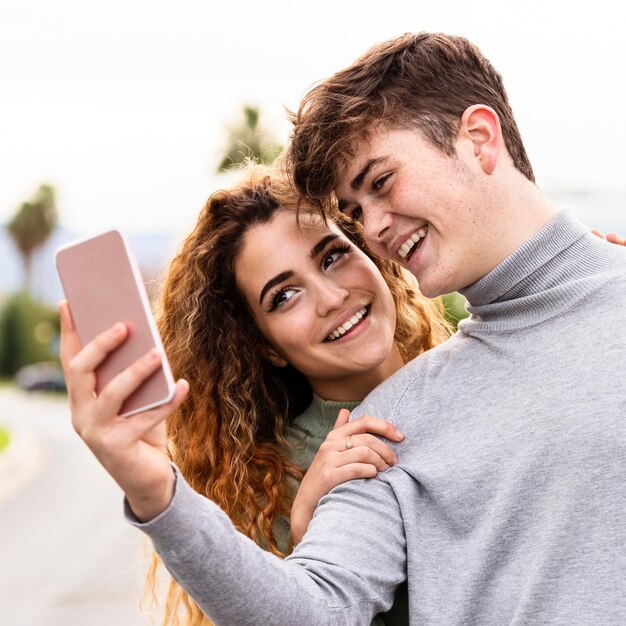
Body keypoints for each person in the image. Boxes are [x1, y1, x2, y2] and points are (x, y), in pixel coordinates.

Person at [63, 32, 626, 625]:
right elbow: (313, 610)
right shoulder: (383, 432)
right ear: (264, 344)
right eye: (356, 209)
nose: (376, 229)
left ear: (479, 139)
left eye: (380, 183)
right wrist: (157, 493)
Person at [62, 166, 451, 626]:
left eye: (332, 257)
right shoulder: (278, 484)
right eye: (284, 296)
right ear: (267, 345)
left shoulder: (474, 367)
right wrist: (308, 537)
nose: (329, 297)